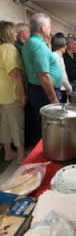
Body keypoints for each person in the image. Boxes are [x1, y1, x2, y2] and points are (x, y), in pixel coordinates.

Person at [22, 13, 63, 147]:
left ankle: (41, 151)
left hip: (38, 90)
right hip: (44, 92)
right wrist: (53, 100)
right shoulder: (38, 45)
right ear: (43, 28)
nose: (50, 29)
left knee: (39, 124)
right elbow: (44, 76)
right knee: (47, 127)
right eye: (49, 26)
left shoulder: (31, 42)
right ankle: (46, 154)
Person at [0, 21, 26, 162]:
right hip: (11, 93)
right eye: (14, 31)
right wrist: (22, 95)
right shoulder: (9, 48)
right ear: (8, 33)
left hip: (2, 95)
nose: (16, 34)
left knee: (5, 124)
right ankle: (21, 155)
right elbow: (15, 74)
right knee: (17, 125)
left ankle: (8, 152)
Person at [52, 33, 72, 103]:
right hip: (59, 89)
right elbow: (61, 75)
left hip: (62, 88)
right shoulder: (55, 56)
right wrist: (68, 87)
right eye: (65, 45)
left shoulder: (59, 56)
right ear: (62, 46)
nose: (66, 47)